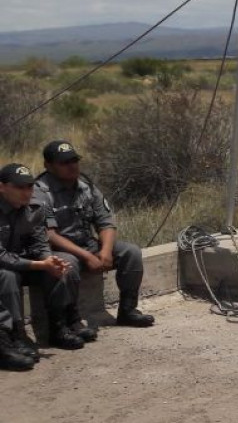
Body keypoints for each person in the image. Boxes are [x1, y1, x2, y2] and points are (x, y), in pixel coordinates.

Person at [33, 140, 155, 335]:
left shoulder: (86, 186)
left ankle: (128, 310)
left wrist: (105, 251)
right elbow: (49, 235)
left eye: (74, 160)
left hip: (86, 243)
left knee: (130, 252)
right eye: (64, 162)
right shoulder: (40, 192)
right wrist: (88, 256)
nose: (72, 166)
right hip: (59, 249)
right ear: (49, 166)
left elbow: (105, 222)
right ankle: (68, 323)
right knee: (68, 264)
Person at [0, 162, 77, 369]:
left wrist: (49, 260)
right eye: (19, 187)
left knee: (62, 264)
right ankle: (13, 339)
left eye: (30, 187)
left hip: (24, 263)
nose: (26, 193)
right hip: (6, 266)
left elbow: (39, 242)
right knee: (6, 276)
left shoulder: (35, 209)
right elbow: (1, 257)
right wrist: (39, 264)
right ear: (2, 187)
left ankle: (59, 327)